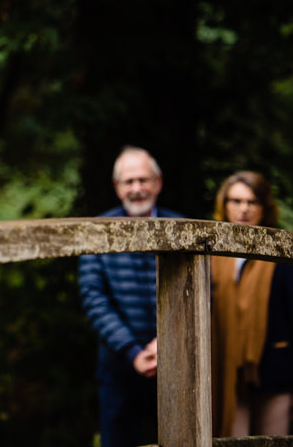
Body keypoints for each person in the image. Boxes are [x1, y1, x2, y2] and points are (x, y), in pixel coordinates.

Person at [78, 146, 184, 447]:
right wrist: (134, 352)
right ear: (117, 187)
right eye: (129, 181)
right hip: (119, 366)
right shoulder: (96, 232)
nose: (137, 189)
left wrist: (165, 344)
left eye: (143, 180)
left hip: (177, 363)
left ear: (158, 182)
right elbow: (94, 299)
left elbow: (201, 292)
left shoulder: (184, 228)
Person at [210, 171, 293, 437]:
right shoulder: (210, 255)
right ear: (224, 204)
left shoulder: (282, 252)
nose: (243, 209)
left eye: (252, 202)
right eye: (236, 201)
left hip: (275, 372)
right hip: (225, 373)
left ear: (264, 207)